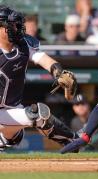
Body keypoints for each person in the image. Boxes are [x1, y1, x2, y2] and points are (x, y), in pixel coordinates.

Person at [0, 5, 79, 151]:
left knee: (24, 128)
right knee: (38, 114)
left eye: (16, 25)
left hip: (12, 112)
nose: (16, 29)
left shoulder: (23, 44)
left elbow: (44, 60)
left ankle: (3, 138)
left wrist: (59, 73)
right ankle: (73, 141)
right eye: (10, 25)